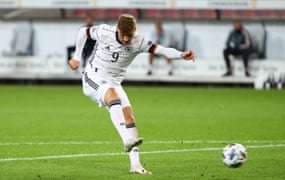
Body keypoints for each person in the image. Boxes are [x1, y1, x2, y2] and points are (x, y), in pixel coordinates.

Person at [69, 14, 195, 175]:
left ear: (134, 31)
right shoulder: (104, 31)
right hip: (93, 77)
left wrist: (181, 54)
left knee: (129, 118)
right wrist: (77, 57)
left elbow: (162, 50)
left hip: (113, 82)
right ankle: (127, 140)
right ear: (117, 29)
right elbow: (83, 32)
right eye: (123, 35)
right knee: (113, 97)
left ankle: (135, 165)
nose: (127, 39)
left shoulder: (138, 41)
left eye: (130, 35)